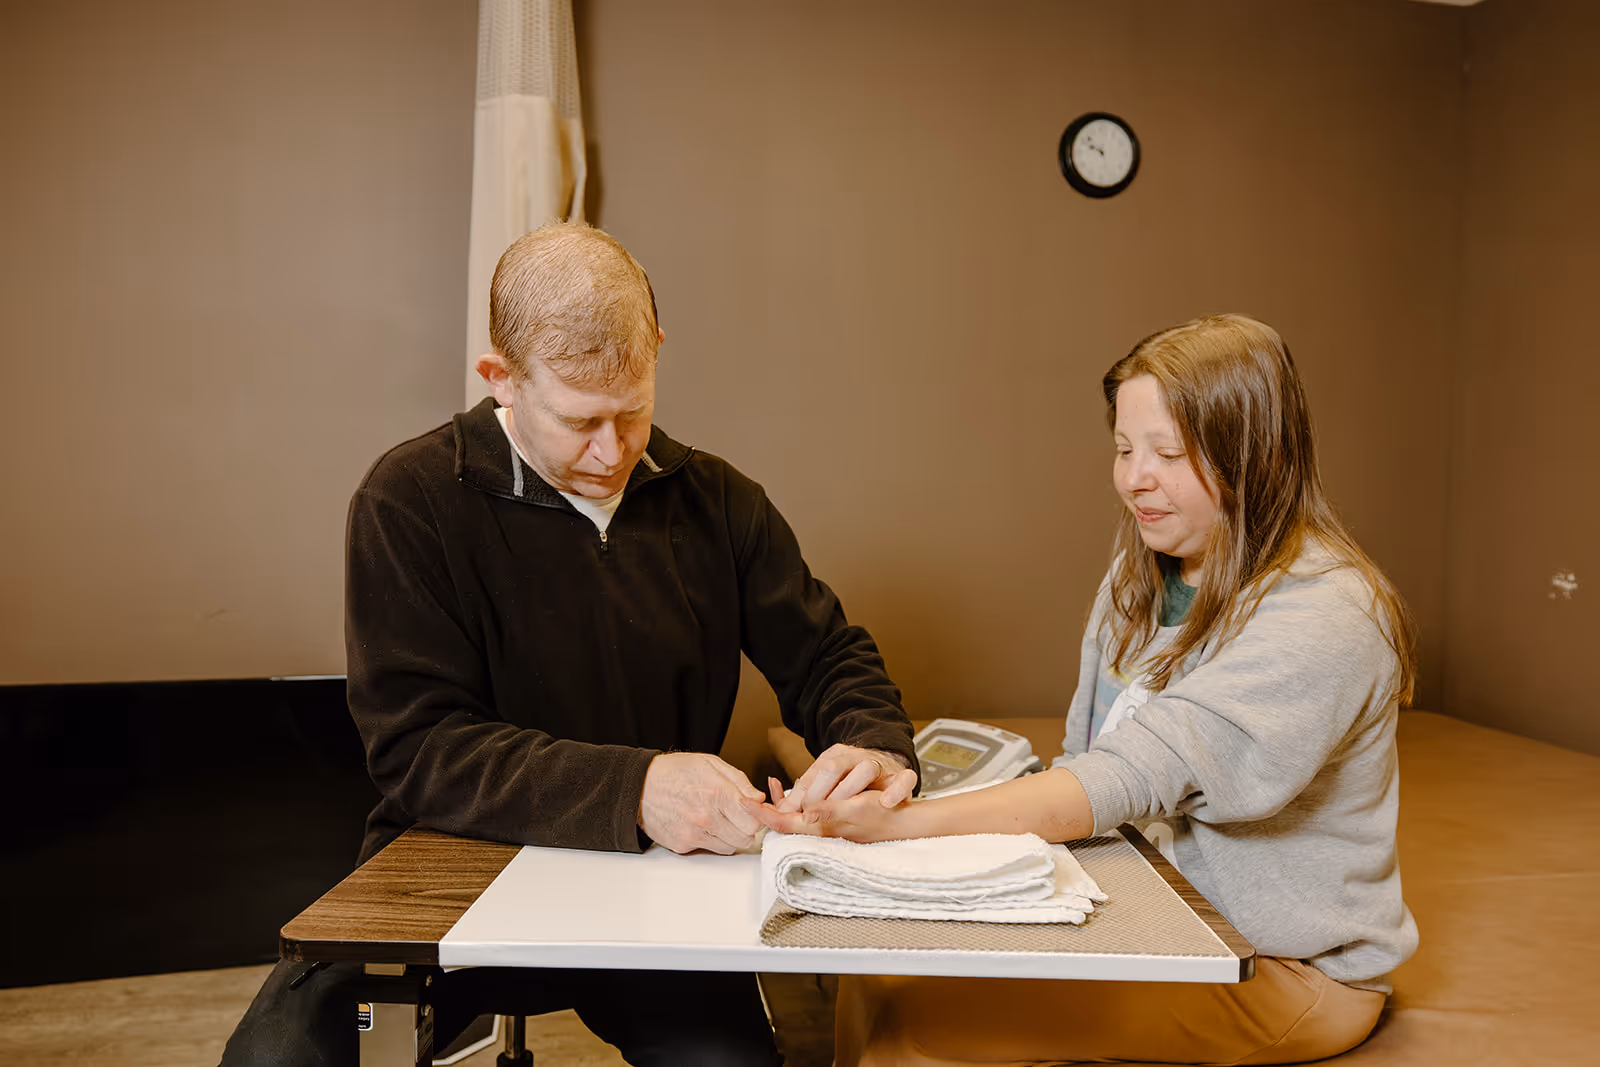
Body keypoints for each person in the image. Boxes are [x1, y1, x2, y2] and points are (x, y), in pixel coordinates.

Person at [221, 221, 920, 1067]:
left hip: (658, 887)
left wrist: (873, 747)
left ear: (656, 348)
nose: (613, 451)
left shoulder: (720, 502)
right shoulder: (407, 500)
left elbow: (831, 657)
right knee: (277, 1058)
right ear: (502, 380)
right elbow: (418, 747)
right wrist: (637, 785)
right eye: (581, 420)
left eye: (634, 412)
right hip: (452, 868)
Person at [756, 314, 1420, 1066]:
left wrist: (894, 828)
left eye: (1169, 453)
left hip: (1277, 968)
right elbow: (1083, 755)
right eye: (1125, 448)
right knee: (879, 967)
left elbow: (1126, 774)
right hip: (1142, 912)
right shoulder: (1138, 578)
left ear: (1258, 456)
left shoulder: (1328, 610)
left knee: (914, 1025)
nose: (1135, 477)